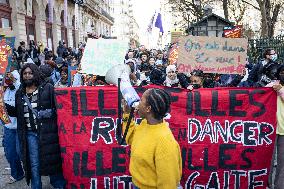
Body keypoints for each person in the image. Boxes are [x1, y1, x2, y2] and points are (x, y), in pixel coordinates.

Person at [15, 63, 66, 189]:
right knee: (34, 164)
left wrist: (47, 113)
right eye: (25, 73)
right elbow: (17, 113)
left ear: (35, 73)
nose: (27, 76)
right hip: (30, 134)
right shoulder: (19, 93)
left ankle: (59, 185)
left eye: (30, 73)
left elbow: (58, 108)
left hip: (48, 132)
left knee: (53, 160)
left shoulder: (47, 88)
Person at [122, 88, 182, 189]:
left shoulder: (165, 142)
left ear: (148, 109)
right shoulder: (145, 123)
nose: (137, 102)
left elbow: (168, 184)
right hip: (137, 184)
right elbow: (130, 138)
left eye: (141, 100)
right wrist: (128, 114)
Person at [2, 69, 24, 184]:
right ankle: (17, 174)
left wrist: (14, 80)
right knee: (10, 153)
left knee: (21, 152)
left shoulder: (20, 89)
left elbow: (19, 87)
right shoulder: (3, 91)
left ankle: (30, 170)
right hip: (8, 127)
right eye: (6, 80)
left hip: (21, 127)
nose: (8, 81)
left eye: (10, 79)